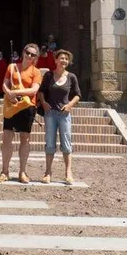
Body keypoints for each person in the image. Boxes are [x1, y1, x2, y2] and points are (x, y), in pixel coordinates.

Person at [0, 43, 41, 184]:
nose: (29, 56)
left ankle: (22, 171)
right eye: (28, 52)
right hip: (12, 105)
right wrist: (8, 93)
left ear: (36, 57)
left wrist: (14, 92)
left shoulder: (36, 72)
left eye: (33, 54)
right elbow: (5, 83)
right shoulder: (12, 67)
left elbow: (33, 90)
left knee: (25, 139)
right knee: (7, 137)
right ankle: (5, 171)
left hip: (27, 107)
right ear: (23, 52)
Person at [38, 49, 82, 184]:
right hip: (50, 114)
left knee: (67, 144)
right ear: (55, 60)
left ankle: (68, 172)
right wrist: (44, 102)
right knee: (50, 143)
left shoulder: (71, 77)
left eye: (66, 59)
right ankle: (48, 172)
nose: (64, 61)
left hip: (64, 114)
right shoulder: (49, 76)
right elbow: (41, 91)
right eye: (61, 58)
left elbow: (78, 95)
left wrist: (70, 105)